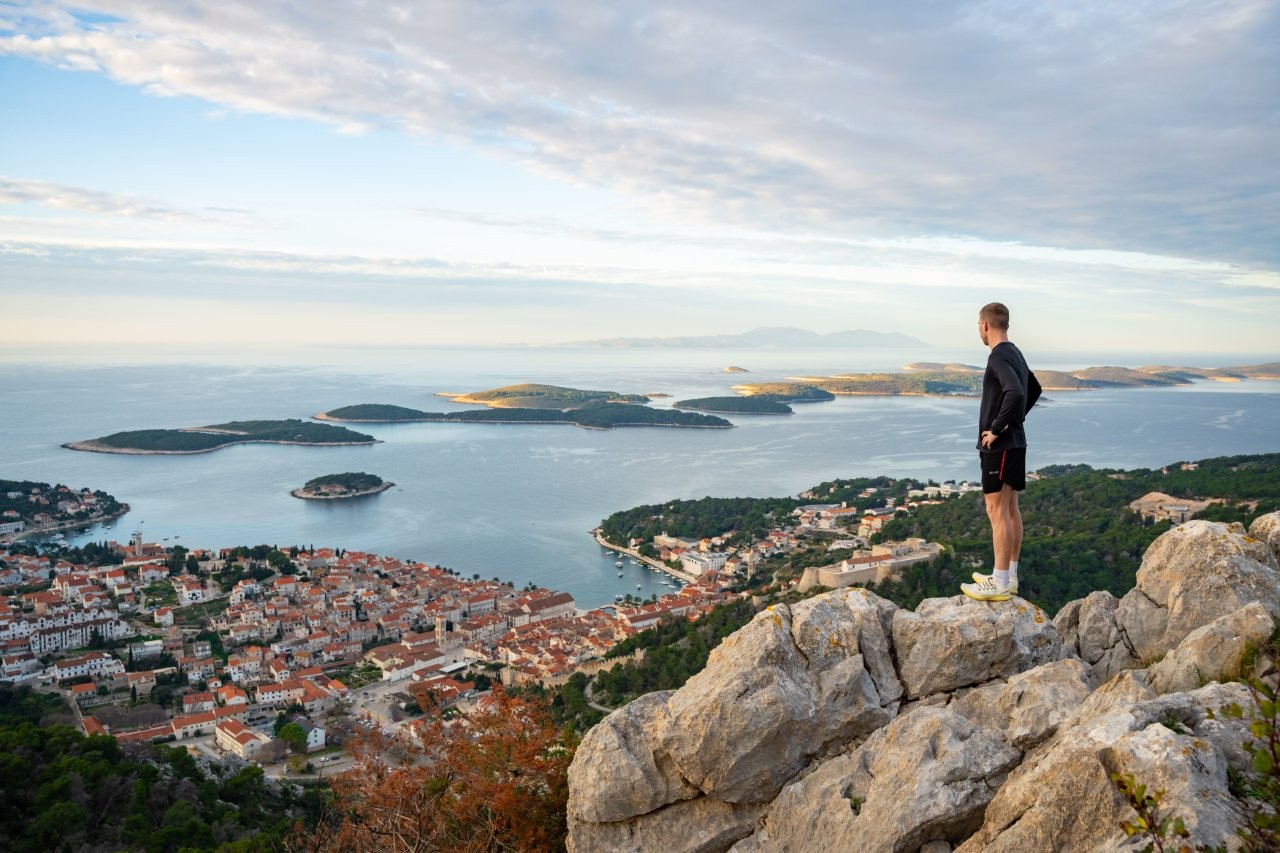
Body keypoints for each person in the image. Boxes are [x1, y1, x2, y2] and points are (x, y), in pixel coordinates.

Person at [960, 302, 1040, 602]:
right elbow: (1034, 389)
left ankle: (999, 581)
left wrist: (997, 428)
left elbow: (1016, 392)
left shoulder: (997, 356)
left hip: (1001, 446)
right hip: (1015, 443)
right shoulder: (1015, 352)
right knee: (1010, 508)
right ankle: (1009, 575)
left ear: (985, 325)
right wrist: (1014, 421)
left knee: (996, 510)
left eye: (978, 326)